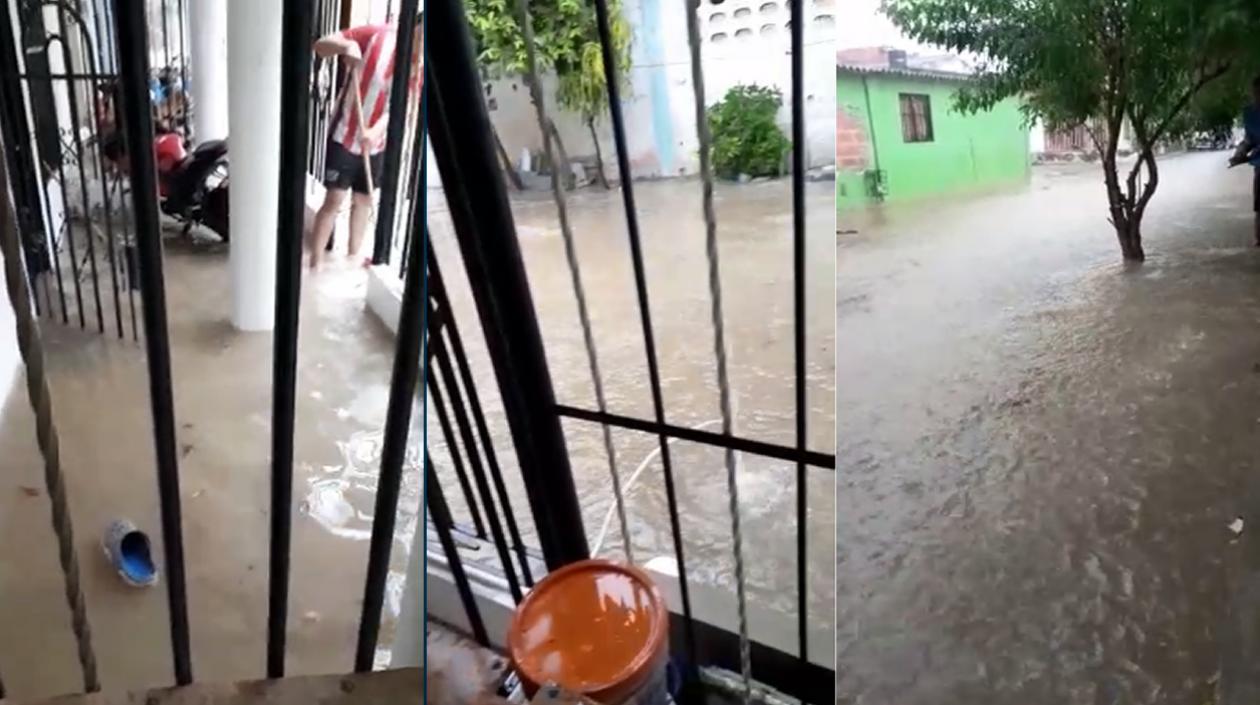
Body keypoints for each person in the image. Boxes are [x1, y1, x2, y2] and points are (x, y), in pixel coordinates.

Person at [309, 18, 422, 270]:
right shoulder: (377, 35)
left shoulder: (417, 69)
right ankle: (314, 265)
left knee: (363, 201)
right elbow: (320, 45)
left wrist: (373, 132)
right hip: (344, 133)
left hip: (375, 143)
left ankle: (352, 260)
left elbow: (398, 109)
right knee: (334, 199)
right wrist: (345, 48)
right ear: (415, 28)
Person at [1229, 75, 1260, 246]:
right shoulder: (1249, 113)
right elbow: (1249, 140)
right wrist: (1239, 154)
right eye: (1255, 93)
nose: (1257, 97)